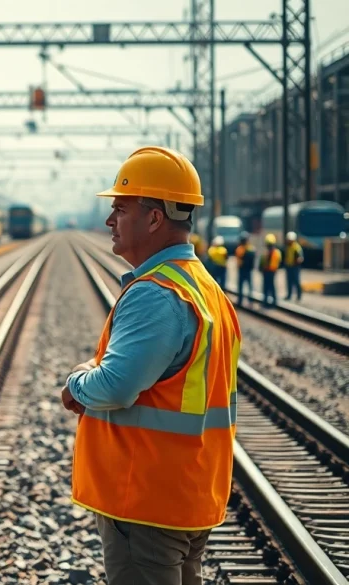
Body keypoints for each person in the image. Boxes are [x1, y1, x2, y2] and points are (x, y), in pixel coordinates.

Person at [60, 146, 241, 585]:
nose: (109, 221)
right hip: (186, 494)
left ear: (155, 217)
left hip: (146, 502)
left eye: (120, 208)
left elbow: (117, 387)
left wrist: (76, 383)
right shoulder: (206, 289)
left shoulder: (156, 293)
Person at [259, 233, 282, 307]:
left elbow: (263, 262)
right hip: (270, 271)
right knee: (270, 287)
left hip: (269, 271)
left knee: (268, 287)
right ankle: (270, 302)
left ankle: (269, 302)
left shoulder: (268, 253)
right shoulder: (277, 252)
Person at [234, 231, 256, 306]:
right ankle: (250, 300)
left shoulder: (239, 249)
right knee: (249, 285)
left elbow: (238, 259)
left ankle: (240, 300)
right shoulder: (251, 248)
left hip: (242, 269)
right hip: (248, 270)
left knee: (241, 285)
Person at [284, 231, 304, 301]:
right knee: (289, 282)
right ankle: (289, 295)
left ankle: (299, 296)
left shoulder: (297, 247)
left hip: (295, 267)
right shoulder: (288, 247)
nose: (288, 241)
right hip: (289, 266)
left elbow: (300, 258)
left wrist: (297, 261)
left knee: (296, 281)